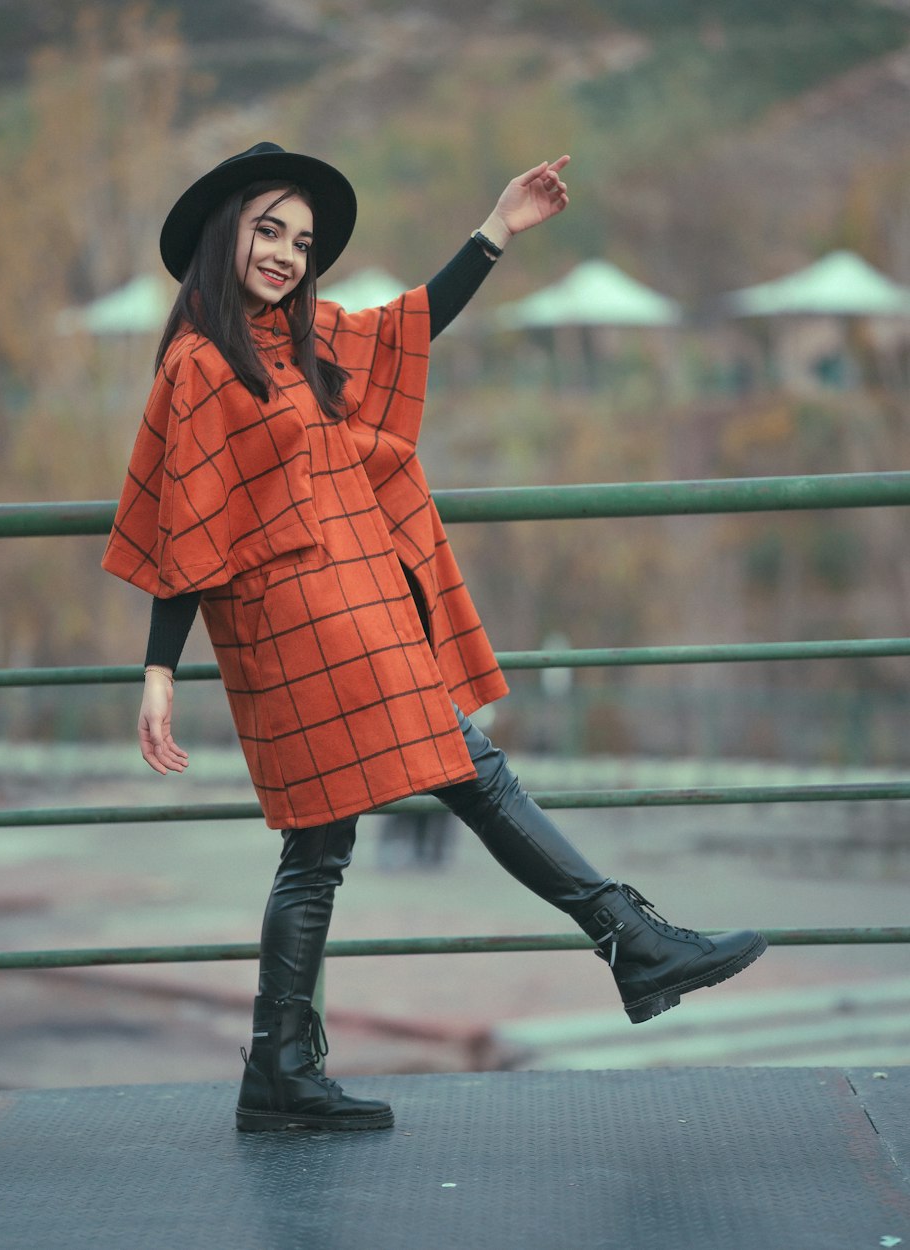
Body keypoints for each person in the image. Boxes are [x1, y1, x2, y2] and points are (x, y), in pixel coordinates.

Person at [103, 141, 767, 1133]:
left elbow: (409, 327)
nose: (285, 253)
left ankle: (280, 1066)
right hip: (295, 627)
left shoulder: (307, 336)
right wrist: (159, 666)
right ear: (222, 238)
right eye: (267, 231)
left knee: (326, 841)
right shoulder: (201, 366)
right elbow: (183, 524)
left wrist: (496, 229)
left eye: (301, 240)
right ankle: (628, 937)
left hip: (355, 606)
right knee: (458, 769)